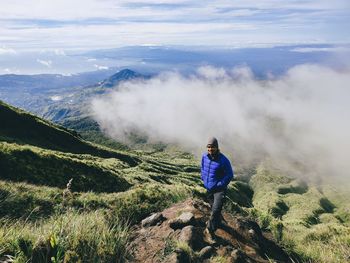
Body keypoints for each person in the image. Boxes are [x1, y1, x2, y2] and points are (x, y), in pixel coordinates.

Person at [201, 137, 234, 238]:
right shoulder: (204, 157)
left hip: (219, 190)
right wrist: (202, 177)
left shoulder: (223, 160)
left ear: (217, 148)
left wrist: (220, 184)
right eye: (209, 147)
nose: (210, 149)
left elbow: (229, 174)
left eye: (213, 147)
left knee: (215, 209)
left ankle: (209, 230)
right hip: (209, 188)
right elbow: (202, 168)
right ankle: (218, 222)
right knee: (213, 208)